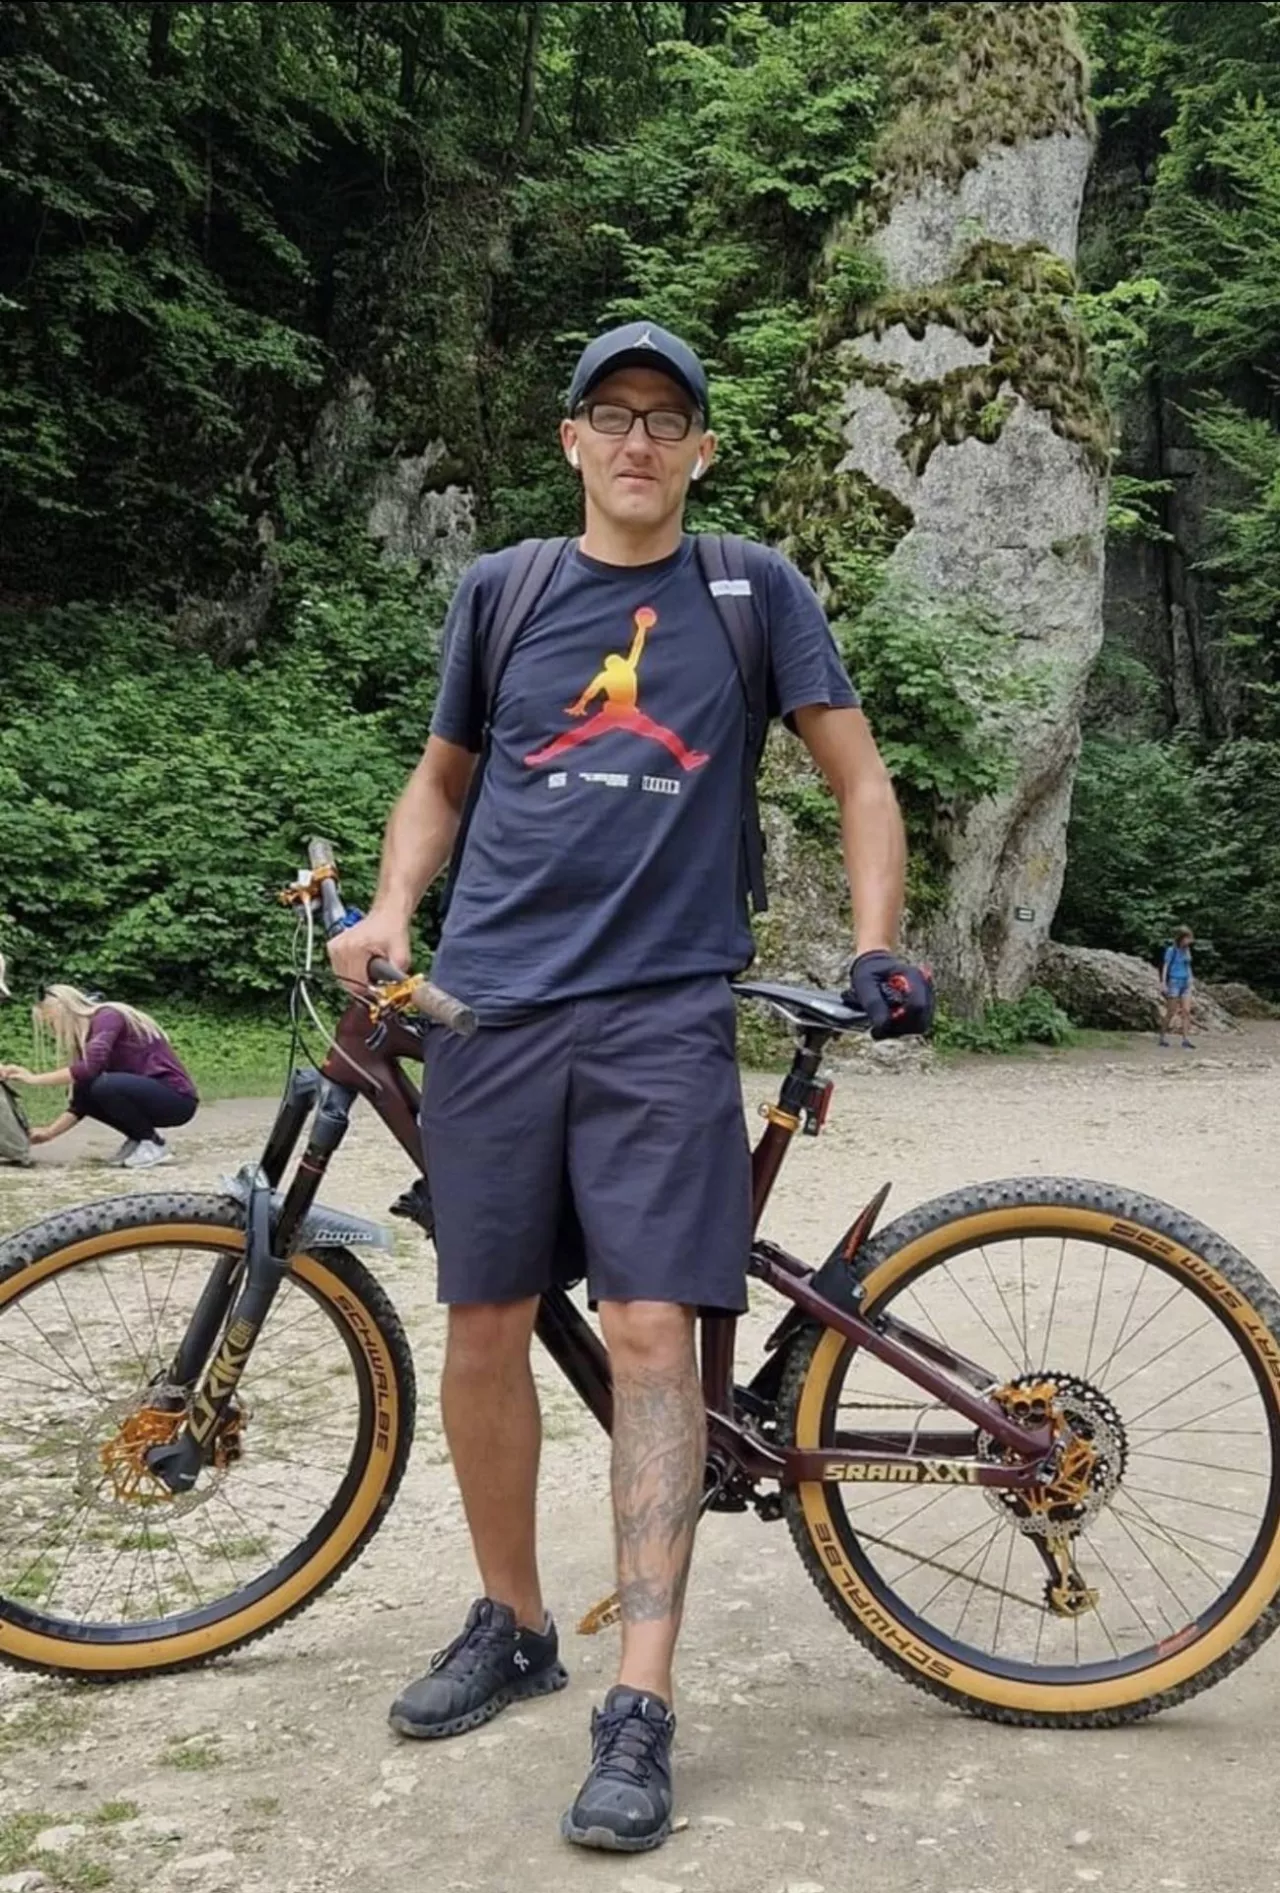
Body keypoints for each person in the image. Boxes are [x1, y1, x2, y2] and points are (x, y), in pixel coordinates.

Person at [330, 320, 933, 1854]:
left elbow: (860, 778)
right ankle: (515, 1620)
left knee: (655, 1331)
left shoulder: (752, 591)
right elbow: (442, 778)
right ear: (572, 440)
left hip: (663, 1014)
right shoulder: (506, 590)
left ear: (702, 449)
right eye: (615, 413)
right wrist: (393, 908)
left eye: (669, 418)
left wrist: (876, 942)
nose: (641, 440)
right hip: (492, 1009)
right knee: (485, 1321)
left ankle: (640, 1701)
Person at [0, 983, 198, 1167]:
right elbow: (80, 1103)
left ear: (63, 1010)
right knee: (84, 1087)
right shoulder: (88, 1037)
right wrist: (49, 1133)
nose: (53, 1030)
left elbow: (90, 1068)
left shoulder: (108, 1016)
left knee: (104, 1085)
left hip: (177, 1098)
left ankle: (150, 1142)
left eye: (51, 1022)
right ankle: (140, 1138)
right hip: (147, 1095)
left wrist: (34, 1079)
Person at [1159, 927, 1195, 1049]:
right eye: (1187, 938)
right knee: (1171, 1011)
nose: (1189, 941)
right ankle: (1162, 1036)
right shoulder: (1172, 950)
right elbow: (1166, 966)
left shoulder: (1187, 951)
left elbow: (1188, 965)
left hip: (1185, 983)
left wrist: (1191, 978)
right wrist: (1163, 982)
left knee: (1186, 1011)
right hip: (1174, 982)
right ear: (1181, 938)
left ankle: (1185, 1039)